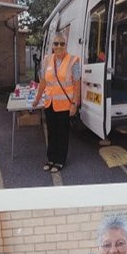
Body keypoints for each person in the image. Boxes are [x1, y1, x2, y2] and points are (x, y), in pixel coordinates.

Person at [31, 32, 81, 173]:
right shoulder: (47, 59)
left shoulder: (73, 60)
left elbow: (77, 84)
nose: (58, 46)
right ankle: (51, 159)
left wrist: (74, 104)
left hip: (65, 106)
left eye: (62, 43)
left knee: (62, 134)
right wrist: (36, 99)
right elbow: (43, 82)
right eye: (56, 43)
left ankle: (60, 161)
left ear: (66, 45)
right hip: (49, 104)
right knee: (51, 133)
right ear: (52, 45)